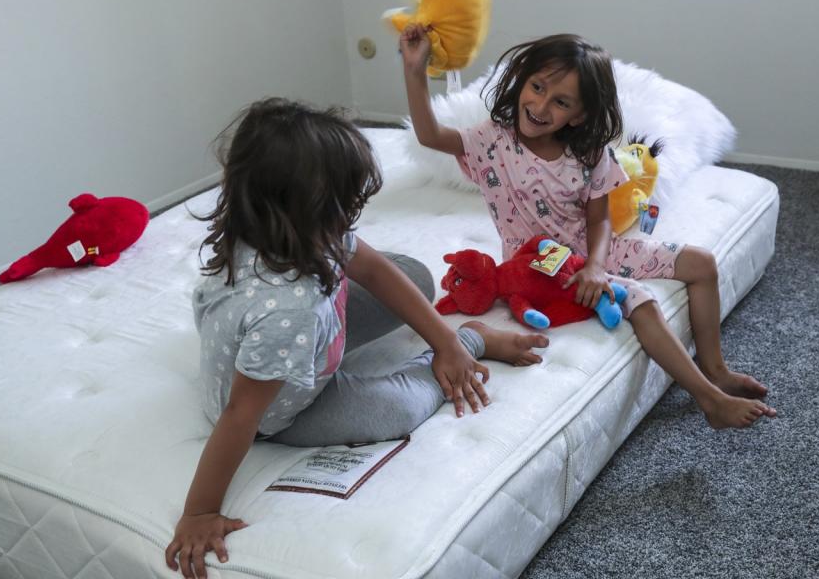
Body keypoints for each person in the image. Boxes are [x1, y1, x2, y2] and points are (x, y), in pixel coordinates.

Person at [165, 98, 548, 579]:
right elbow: (243, 413)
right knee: (397, 409)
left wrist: (440, 340)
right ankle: (475, 339)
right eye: (344, 207)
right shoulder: (288, 310)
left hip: (297, 330)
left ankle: (452, 342)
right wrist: (200, 511)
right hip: (287, 405)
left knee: (413, 276)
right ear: (307, 208)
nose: (351, 218)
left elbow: (374, 268)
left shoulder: (280, 228)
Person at [400, 28, 776, 430]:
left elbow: (599, 218)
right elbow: (429, 135)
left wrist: (596, 266)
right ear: (523, 80)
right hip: (540, 267)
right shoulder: (490, 140)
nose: (540, 105)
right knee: (640, 301)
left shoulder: (589, 153)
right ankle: (710, 400)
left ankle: (715, 369)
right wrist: (414, 69)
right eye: (537, 87)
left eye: (560, 101)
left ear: (578, 114)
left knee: (702, 263)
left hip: (591, 252)